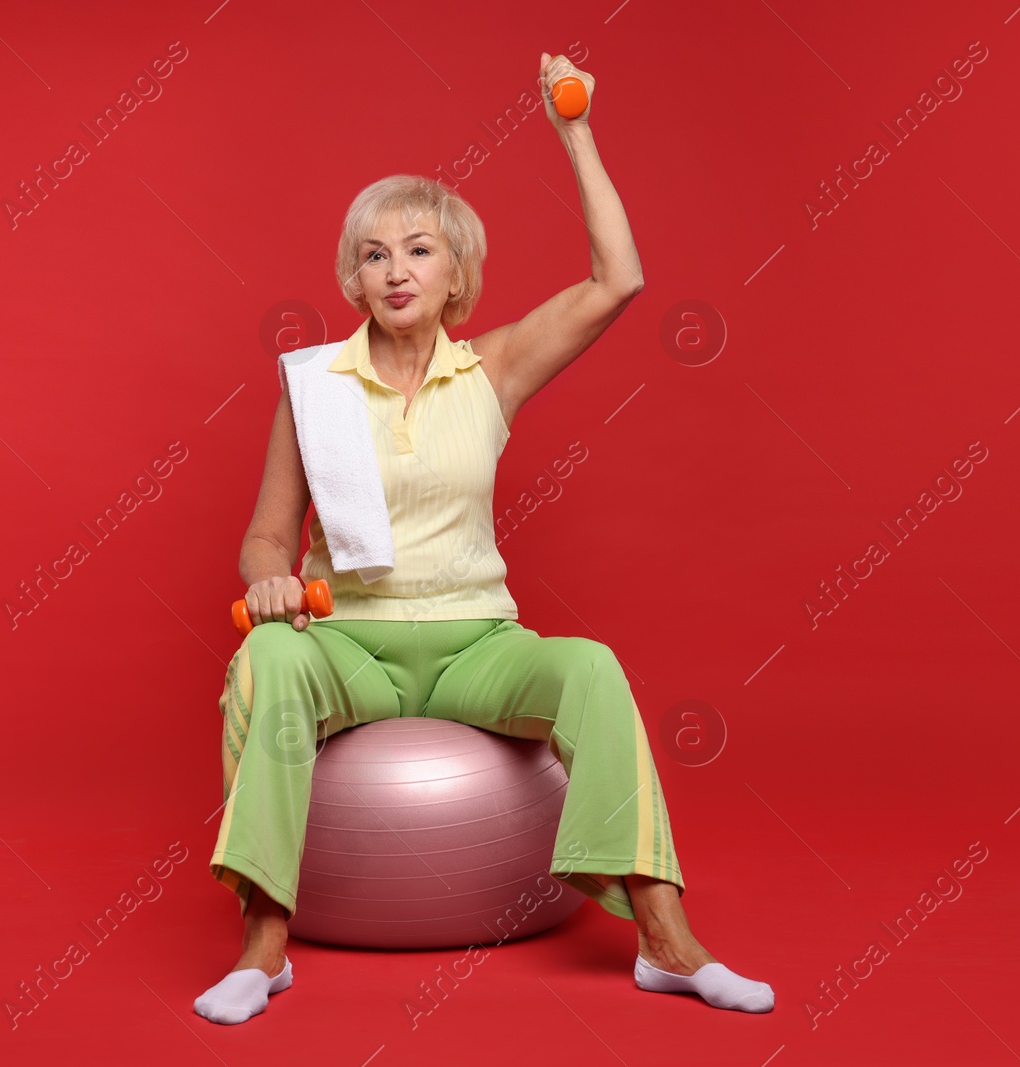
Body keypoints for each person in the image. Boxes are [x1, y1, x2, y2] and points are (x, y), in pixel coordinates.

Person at [195, 52, 773, 1026]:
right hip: (349, 646)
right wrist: (273, 585)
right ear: (353, 275)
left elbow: (619, 278)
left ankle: (666, 940)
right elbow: (265, 534)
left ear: (456, 271)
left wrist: (573, 131)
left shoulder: (492, 368)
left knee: (590, 667)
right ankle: (264, 944)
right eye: (374, 254)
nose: (394, 270)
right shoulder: (314, 386)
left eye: (417, 249)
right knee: (264, 661)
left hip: (475, 645)